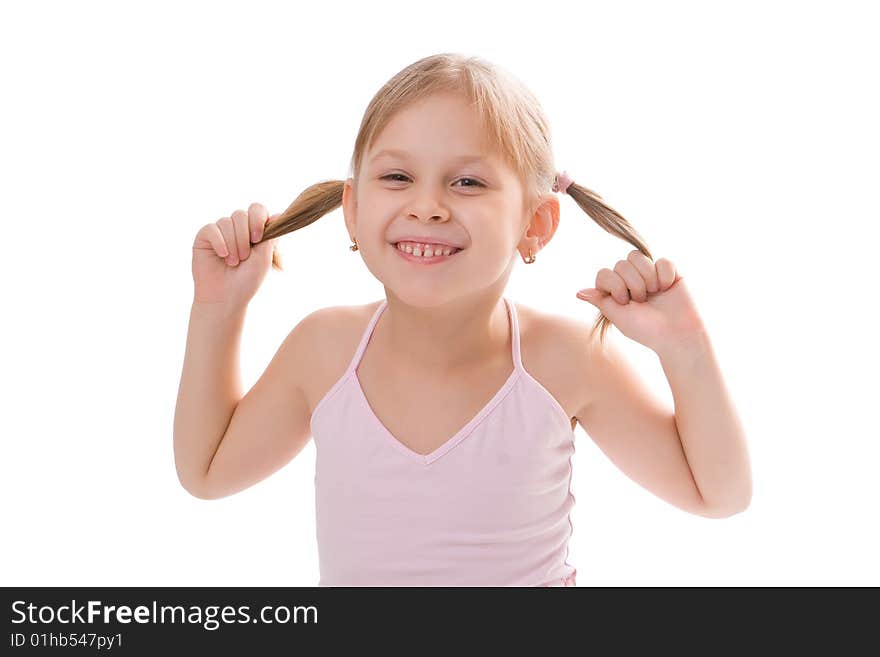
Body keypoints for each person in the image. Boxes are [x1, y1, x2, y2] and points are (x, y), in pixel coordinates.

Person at [173, 52, 752, 587]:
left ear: (537, 224)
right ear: (352, 211)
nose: (427, 205)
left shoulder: (564, 359)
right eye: (397, 177)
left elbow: (718, 494)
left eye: (468, 182)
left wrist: (686, 347)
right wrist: (218, 309)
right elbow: (206, 472)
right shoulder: (324, 350)